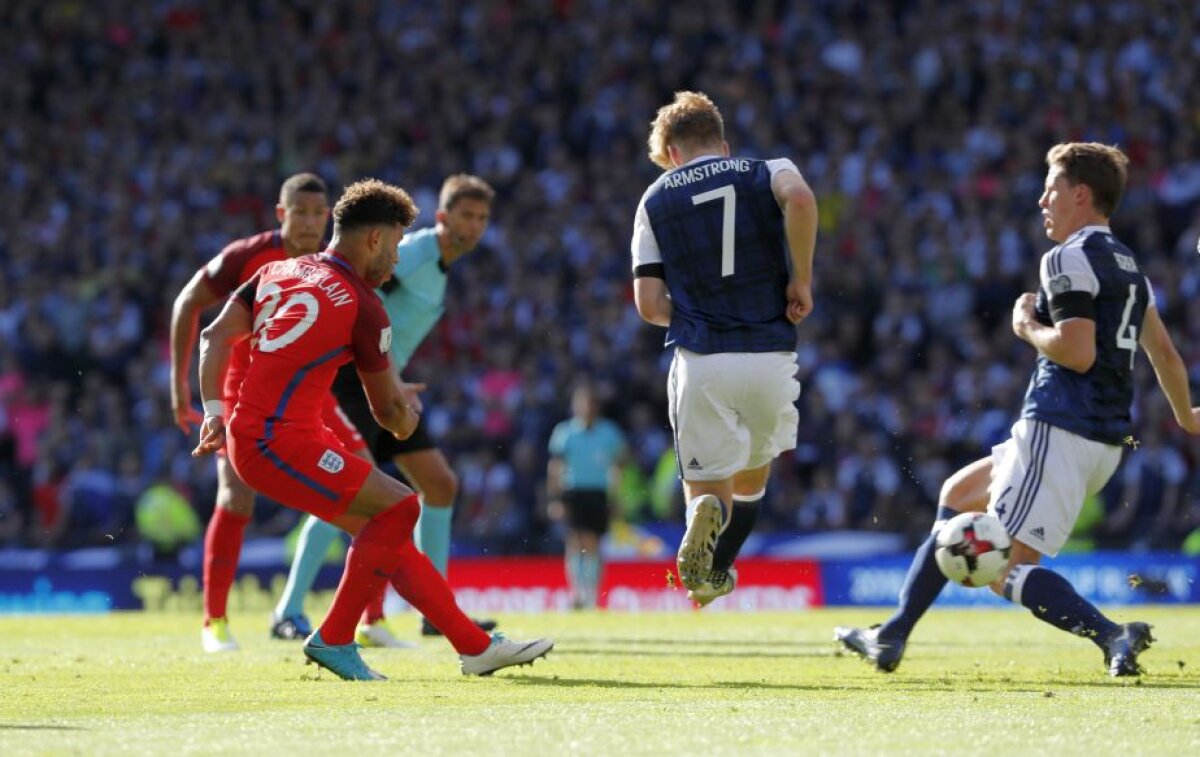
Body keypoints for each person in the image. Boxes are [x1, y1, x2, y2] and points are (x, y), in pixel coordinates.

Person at [835, 142, 1200, 677]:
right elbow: (1164, 353)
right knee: (957, 499)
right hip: (1098, 440)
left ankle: (1112, 635)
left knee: (1006, 570)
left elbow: (1077, 352)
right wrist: (1187, 415)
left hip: (1061, 427)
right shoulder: (1130, 270)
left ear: (1081, 194)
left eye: (1051, 188)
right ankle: (892, 634)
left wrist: (1025, 325)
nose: (1041, 200)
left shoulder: (1067, 257)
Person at [193, 178, 552, 680]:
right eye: (397, 244)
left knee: (387, 530)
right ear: (376, 240)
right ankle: (335, 637)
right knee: (404, 503)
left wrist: (212, 409)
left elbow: (213, 336)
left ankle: (474, 646)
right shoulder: (364, 306)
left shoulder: (278, 270)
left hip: (275, 433)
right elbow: (390, 416)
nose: (398, 260)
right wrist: (407, 416)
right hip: (276, 442)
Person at [271, 174, 498, 644]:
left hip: (386, 385)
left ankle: (437, 611)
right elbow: (362, 295)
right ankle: (289, 608)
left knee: (440, 485)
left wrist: (393, 377)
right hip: (355, 382)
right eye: (465, 216)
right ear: (442, 217)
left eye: (481, 218)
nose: (473, 226)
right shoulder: (415, 252)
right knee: (351, 492)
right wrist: (385, 375)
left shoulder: (440, 267)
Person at [629, 91, 818, 607]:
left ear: (670, 153)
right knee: (754, 474)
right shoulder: (766, 169)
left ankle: (701, 520)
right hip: (771, 354)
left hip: (704, 358)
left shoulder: (656, 197)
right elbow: (800, 201)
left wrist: (695, 313)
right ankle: (716, 572)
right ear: (724, 143)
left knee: (707, 490)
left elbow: (648, 303)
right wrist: (801, 280)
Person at [170, 173, 371, 653]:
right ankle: (214, 622)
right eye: (298, 212)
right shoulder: (247, 256)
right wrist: (182, 392)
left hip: (312, 395)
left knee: (370, 489)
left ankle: (367, 618)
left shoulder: (337, 263)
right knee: (236, 497)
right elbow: (187, 304)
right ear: (281, 214)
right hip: (247, 390)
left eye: (317, 213)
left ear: (329, 217)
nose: (308, 221)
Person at [546, 383, 627, 609]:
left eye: (590, 403)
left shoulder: (609, 433)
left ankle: (590, 594)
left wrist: (617, 495)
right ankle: (577, 594)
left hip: (598, 492)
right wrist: (554, 498)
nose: (586, 407)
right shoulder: (565, 433)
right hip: (573, 491)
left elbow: (620, 464)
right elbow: (555, 467)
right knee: (574, 541)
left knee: (592, 542)